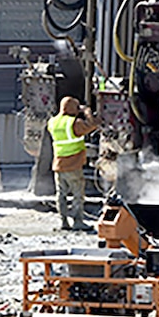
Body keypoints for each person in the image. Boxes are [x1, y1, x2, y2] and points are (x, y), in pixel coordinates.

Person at [47, 96, 99, 231]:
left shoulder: (52, 122)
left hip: (58, 164)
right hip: (73, 165)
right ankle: (78, 222)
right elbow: (92, 125)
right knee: (78, 195)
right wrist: (87, 111)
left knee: (61, 194)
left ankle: (63, 221)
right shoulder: (74, 123)